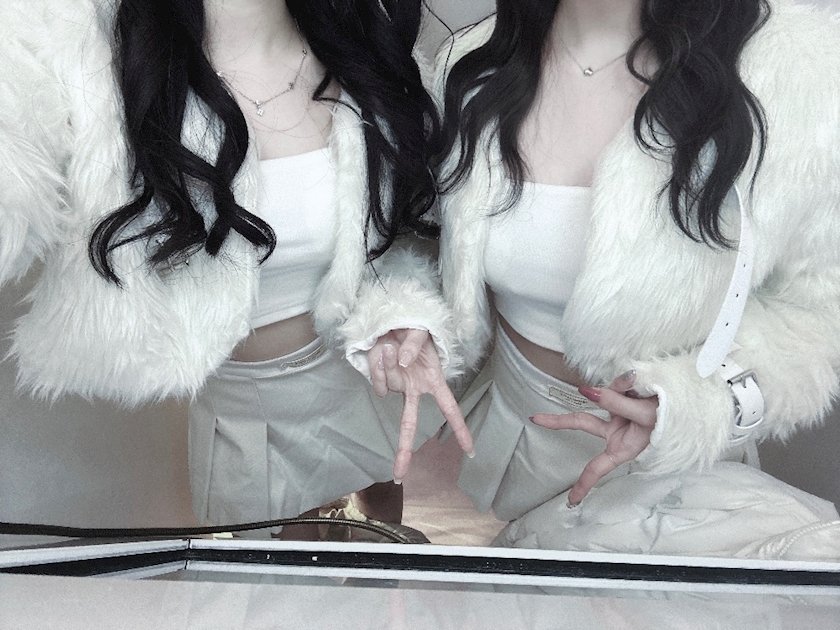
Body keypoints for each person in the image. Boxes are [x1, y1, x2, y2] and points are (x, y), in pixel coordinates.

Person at [0, 0, 472, 537]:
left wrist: (400, 313)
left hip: (364, 389)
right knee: (276, 578)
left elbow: (408, 237)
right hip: (239, 422)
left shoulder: (369, 52)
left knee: (376, 556)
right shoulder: (84, 57)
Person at [431, 0, 840, 523]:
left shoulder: (797, 69)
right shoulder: (469, 64)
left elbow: (818, 313)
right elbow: (423, 250)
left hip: (676, 475)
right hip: (510, 444)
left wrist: (696, 405)